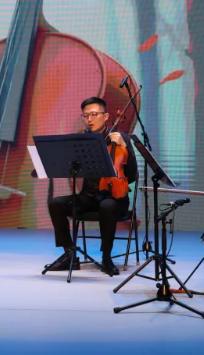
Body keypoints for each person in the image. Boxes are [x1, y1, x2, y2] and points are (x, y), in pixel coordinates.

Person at [46, 96, 137, 276]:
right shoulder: (83, 141)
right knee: (56, 203)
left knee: (107, 206)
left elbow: (133, 176)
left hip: (115, 199)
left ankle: (106, 257)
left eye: (94, 114)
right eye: (86, 116)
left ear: (106, 116)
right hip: (88, 198)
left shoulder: (120, 138)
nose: (89, 119)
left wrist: (125, 146)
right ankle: (69, 254)